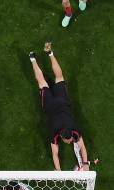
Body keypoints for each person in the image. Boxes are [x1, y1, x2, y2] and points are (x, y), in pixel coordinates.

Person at [29, 43, 90, 171]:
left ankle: (50, 53)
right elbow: (55, 154)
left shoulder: (74, 130)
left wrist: (85, 163)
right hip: (50, 105)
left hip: (62, 101)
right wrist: (58, 171)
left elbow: (80, 149)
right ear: (62, 137)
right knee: (42, 83)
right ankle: (32, 59)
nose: (69, 142)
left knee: (59, 77)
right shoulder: (56, 133)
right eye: (69, 141)